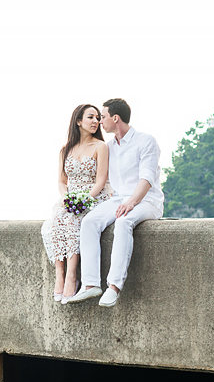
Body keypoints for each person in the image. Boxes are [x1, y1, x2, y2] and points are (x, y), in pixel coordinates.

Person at [66, 98, 163, 308]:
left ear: (115, 118)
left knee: (123, 222)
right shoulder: (109, 147)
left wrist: (132, 202)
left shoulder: (146, 141)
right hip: (118, 199)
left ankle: (114, 286)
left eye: (103, 116)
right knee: (90, 222)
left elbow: (147, 179)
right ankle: (91, 284)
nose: (100, 121)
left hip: (146, 200)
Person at [40, 104, 113, 302]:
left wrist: (85, 199)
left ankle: (72, 276)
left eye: (98, 118)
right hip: (71, 197)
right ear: (78, 121)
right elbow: (62, 182)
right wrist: (67, 198)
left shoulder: (101, 146)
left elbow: (100, 180)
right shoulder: (65, 150)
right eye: (90, 117)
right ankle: (60, 274)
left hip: (94, 197)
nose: (95, 121)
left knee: (73, 220)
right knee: (56, 222)